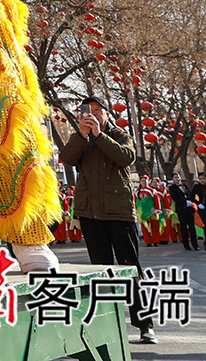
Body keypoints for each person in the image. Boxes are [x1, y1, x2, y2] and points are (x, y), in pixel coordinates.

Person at [58, 97, 155, 344]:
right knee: (99, 271)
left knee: (130, 269)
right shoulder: (80, 139)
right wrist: (81, 135)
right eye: (87, 111)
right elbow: (67, 158)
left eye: (98, 111)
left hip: (119, 212)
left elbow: (126, 158)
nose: (92, 115)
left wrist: (100, 135)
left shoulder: (119, 135)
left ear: (107, 114)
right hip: (90, 213)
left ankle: (144, 325)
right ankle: (105, 324)